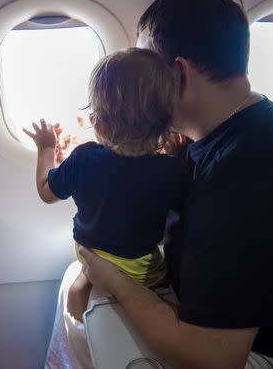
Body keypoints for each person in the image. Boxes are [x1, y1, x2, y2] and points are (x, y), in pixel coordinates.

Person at [47, 0, 273, 369]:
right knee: (80, 285)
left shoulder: (249, 178)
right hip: (220, 315)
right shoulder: (238, 124)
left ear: (177, 75)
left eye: (145, 72)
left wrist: (113, 280)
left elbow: (214, 358)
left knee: (93, 318)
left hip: (266, 354)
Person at [24, 48, 187, 323]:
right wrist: (177, 155)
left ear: (97, 123)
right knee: (163, 282)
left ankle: (84, 288)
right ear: (167, 123)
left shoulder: (84, 157)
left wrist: (46, 148)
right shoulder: (170, 171)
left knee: (93, 263)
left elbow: (45, 192)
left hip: (88, 249)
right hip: (137, 266)